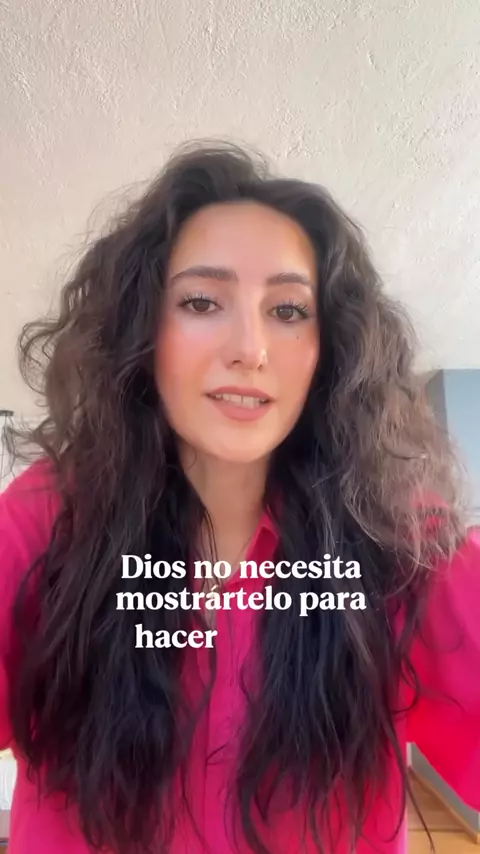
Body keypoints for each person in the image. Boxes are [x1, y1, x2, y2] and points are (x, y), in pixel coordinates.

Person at [0, 141, 478, 854]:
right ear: (142, 330)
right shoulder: (46, 514)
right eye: (201, 302)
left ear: (327, 348)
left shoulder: (397, 532)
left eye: (288, 310)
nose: (250, 347)